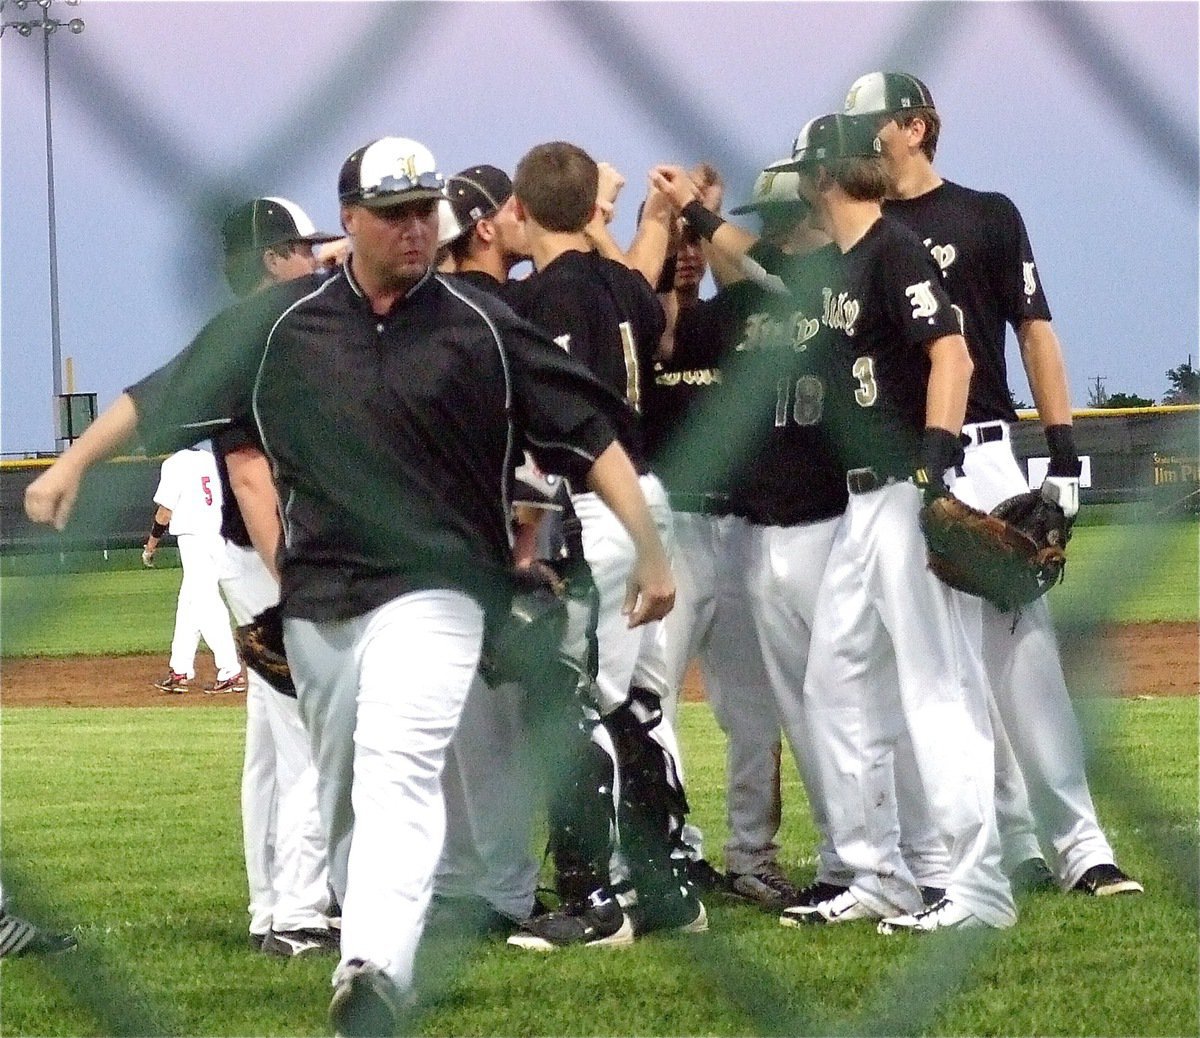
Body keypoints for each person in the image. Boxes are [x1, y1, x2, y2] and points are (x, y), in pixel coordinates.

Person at [25, 135, 674, 1036]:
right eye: (396, 212)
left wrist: (649, 549)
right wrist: (70, 465)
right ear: (351, 220)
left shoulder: (480, 322)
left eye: (425, 211)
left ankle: (375, 968)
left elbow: (590, 435)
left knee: (398, 763)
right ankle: (364, 930)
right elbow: (161, 392)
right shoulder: (283, 324)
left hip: (442, 591)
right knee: (339, 795)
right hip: (324, 595)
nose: (416, 229)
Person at [843, 70, 1142, 898]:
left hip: (982, 452)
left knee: (1024, 654)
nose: (863, 136)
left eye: (874, 123)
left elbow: (1034, 331)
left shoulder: (986, 215)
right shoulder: (856, 232)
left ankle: (1084, 848)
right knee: (942, 672)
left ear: (918, 125)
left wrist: (1064, 451)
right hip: (899, 465)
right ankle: (1008, 847)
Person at [758, 112, 1015, 933]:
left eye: (803, 174)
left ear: (822, 179)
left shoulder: (892, 248)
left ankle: (977, 890)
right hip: (860, 506)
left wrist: (936, 469)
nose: (799, 187)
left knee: (939, 690)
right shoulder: (840, 263)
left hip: (906, 490)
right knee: (835, 686)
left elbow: (955, 353)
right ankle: (879, 876)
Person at [505, 141, 706, 943]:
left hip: (594, 505)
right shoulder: (624, 281)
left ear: (518, 211)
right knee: (639, 704)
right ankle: (665, 893)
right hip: (650, 496)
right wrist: (630, 212)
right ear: (591, 212)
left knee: (575, 700)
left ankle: (596, 903)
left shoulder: (537, 304)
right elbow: (642, 270)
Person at [217, 197, 341, 956]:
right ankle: (301, 914)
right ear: (272, 260)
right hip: (272, 556)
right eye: (301, 250)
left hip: (252, 558)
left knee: (269, 744)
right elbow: (250, 475)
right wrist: (290, 577)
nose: (314, 259)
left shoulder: (247, 332)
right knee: (314, 734)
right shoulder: (259, 342)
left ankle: (272, 906)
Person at [141, 445, 244, 695]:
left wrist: (151, 546)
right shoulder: (212, 460)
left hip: (194, 539)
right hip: (219, 536)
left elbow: (165, 513)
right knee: (189, 602)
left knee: (205, 603)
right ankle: (180, 670)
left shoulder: (175, 463)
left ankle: (231, 672)